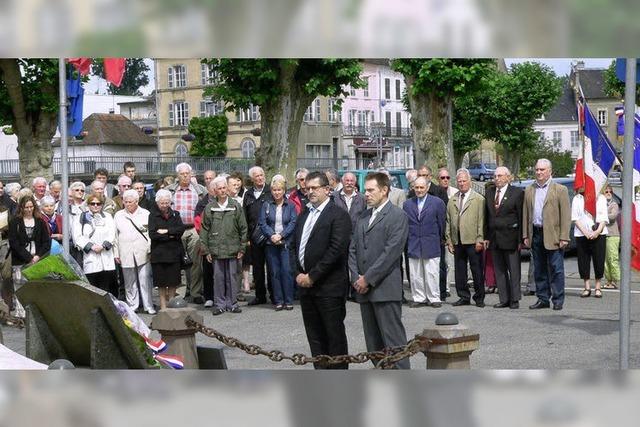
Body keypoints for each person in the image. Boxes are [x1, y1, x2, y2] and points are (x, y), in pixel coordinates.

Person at [348, 172, 410, 369]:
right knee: (373, 344)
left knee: (394, 343)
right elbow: (352, 248)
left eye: (370, 190)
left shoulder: (397, 216)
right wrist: (355, 277)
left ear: (384, 190)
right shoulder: (363, 216)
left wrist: (368, 279)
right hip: (363, 290)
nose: (366, 194)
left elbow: (390, 253)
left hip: (384, 289)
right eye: (365, 190)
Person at [293, 171, 351, 369]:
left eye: (314, 188)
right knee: (315, 338)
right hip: (306, 288)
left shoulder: (338, 215)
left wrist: (313, 276)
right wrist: (298, 274)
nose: (310, 192)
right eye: (307, 188)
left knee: (334, 338)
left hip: (329, 287)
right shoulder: (304, 214)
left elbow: (336, 250)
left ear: (327, 189)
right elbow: (295, 246)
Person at [523, 159, 571, 311]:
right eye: (537, 170)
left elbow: (566, 215)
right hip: (536, 233)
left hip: (554, 235)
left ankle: (558, 299)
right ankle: (543, 298)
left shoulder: (560, 189)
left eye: (542, 170)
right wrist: (525, 235)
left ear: (550, 171)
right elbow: (526, 214)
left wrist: (564, 237)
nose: (539, 172)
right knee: (539, 268)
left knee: (556, 269)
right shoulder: (530, 189)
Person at [200, 176, 247, 315]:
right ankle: (220, 304)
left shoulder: (235, 206)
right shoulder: (210, 208)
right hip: (216, 249)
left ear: (227, 189)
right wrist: (206, 250)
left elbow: (243, 228)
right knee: (218, 278)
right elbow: (204, 230)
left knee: (232, 277)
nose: (222, 191)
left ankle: (232, 303)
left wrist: (242, 247)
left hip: (233, 248)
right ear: (214, 191)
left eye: (224, 188)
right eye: (219, 188)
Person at [483, 166, 524, 309]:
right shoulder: (489, 192)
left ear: (508, 177)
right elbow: (486, 216)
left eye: (500, 176)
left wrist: (521, 239)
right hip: (494, 237)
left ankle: (514, 299)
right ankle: (504, 298)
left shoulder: (517, 193)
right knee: (499, 270)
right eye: (495, 176)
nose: (497, 178)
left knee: (513, 269)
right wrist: (486, 236)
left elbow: (521, 216)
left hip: (510, 236)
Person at [403, 177, 446, 308]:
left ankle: (434, 297)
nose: (419, 190)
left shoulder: (437, 203)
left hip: (431, 241)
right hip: (414, 242)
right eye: (417, 187)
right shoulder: (407, 204)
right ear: (413, 188)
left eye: (422, 187)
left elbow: (442, 223)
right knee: (415, 273)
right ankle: (419, 297)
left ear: (427, 187)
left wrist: (440, 238)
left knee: (431, 272)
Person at [445, 168, 485, 307]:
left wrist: (480, 239)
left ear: (470, 181)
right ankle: (463, 296)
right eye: (459, 181)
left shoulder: (478, 199)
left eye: (464, 181)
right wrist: (449, 240)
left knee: (477, 270)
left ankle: (479, 297)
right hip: (458, 240)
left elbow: (481, 220)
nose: (462, 183)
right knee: (460, 270)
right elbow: (448, 221)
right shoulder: (452, 199)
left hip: (473, 240)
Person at [167, 162, 205, 304]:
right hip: (177, 230)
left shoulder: (199, 190)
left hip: (194, 230)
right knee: (178, 262)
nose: (185, 176)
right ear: (177, 176)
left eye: (187, 173)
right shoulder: (170, 190)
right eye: (182, 174)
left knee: (196, 262)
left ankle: (195, 292)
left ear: (191, 174)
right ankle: (181, 292)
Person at [114, 189, 155, 314]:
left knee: (145, 280)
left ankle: (148, 305)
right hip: (125, 250)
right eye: (125, 201)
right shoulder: (118, 215)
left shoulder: (146, 213)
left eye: (130, 202)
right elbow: (115, 236)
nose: (127, 204)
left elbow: (149, 234)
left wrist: (150, 249)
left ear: (137, 201)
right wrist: (116, 253)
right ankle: (132, 306)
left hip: (143, 251)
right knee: (129, 281)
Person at [8, 196, 51, 316]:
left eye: (31, 207)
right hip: (20, 260)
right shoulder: (15, 222)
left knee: (36, 286)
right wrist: (28, 257)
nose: (29, 209)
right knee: (20, 286)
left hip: (38, 259)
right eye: (26, 207)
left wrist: (37, 256)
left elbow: (46, 242)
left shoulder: (40, 221)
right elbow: (14, 243)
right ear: (21, 207)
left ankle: (36, 313)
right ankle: (21, 314)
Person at [260, 177, 297, 311]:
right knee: (274, 272)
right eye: (274, 190)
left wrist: (281, 235)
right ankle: (278, 300)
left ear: (284, 190)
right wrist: (272, 235)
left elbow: (293, 222)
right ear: (271, 191)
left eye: (279, 190)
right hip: (271, 243)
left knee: (286, 271)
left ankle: (288, 300)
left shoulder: (291, 205)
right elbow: (262, 223)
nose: (277, 192)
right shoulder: (267, 205)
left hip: (286, 242)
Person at [73, 192, 118, 295]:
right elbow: (77, 237)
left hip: (106, 256)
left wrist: (103, 246)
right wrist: (92, 247)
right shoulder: (80, 218)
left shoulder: (107, 217)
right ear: (88, 204)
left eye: (98, 203)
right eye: (92, 203)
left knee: (106, 288)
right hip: (90, 257)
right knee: (92, 288)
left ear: (102, 205)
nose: (95, 206)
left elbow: (112, 234)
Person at [149, 189, 186, 310]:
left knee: (173, 281)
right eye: (162, 203)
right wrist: (171, 235)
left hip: (173, 253)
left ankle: (171, 304)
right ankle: (163, 306)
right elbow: (153, 234)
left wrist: (166, 231)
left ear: (170, 202)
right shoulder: (153, 215)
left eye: (167, 203)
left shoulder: (176, 214)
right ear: (157, 203)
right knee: (161, 283)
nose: (164, 205)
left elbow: (180, 230)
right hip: (159, 254)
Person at [243, 166, 273, 306]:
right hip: (254, 237)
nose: (260, 178)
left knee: (272, 267)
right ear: (252, 179)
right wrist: (247, 237)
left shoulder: (270, 191)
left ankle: (274, 294)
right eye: (257, 176)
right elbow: (245, 217)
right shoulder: (248, 194)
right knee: (257, 268)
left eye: (262, 175)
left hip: (269, 236)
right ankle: (260, 296)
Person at [572, 186, 608, 299]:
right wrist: (586, 232)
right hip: (582, 233)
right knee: (583, 261)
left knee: (599, 260)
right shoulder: (577, 198)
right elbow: (575, 218)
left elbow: (603, 218)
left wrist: (597, 232)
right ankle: (587, 286)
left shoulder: (600, 198)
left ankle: (598, 287)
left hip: (599, 233)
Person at [603, 185, 620, 290]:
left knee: (612, 258)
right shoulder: (600, 204)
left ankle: (615, 280)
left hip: (613, 235)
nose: (608, 193)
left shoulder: (614, 204)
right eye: (606, 191)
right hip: (603, 235)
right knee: (605, 260)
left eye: (610, 191)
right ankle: (608, 281)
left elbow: (613, 216)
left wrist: (602, 214)